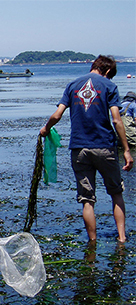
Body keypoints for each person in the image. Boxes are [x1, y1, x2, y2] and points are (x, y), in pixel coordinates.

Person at [39, 55, 133, 243]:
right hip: (104, 146)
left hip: (79, 148)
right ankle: (122, 238)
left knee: (87, 199)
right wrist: (126, 149)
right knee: (116, 193)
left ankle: (92, 241)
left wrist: (45, 129)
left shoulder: (73, 85)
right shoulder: (109, 86)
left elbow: (57, 114)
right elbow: (116, 120)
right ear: (107, 71)